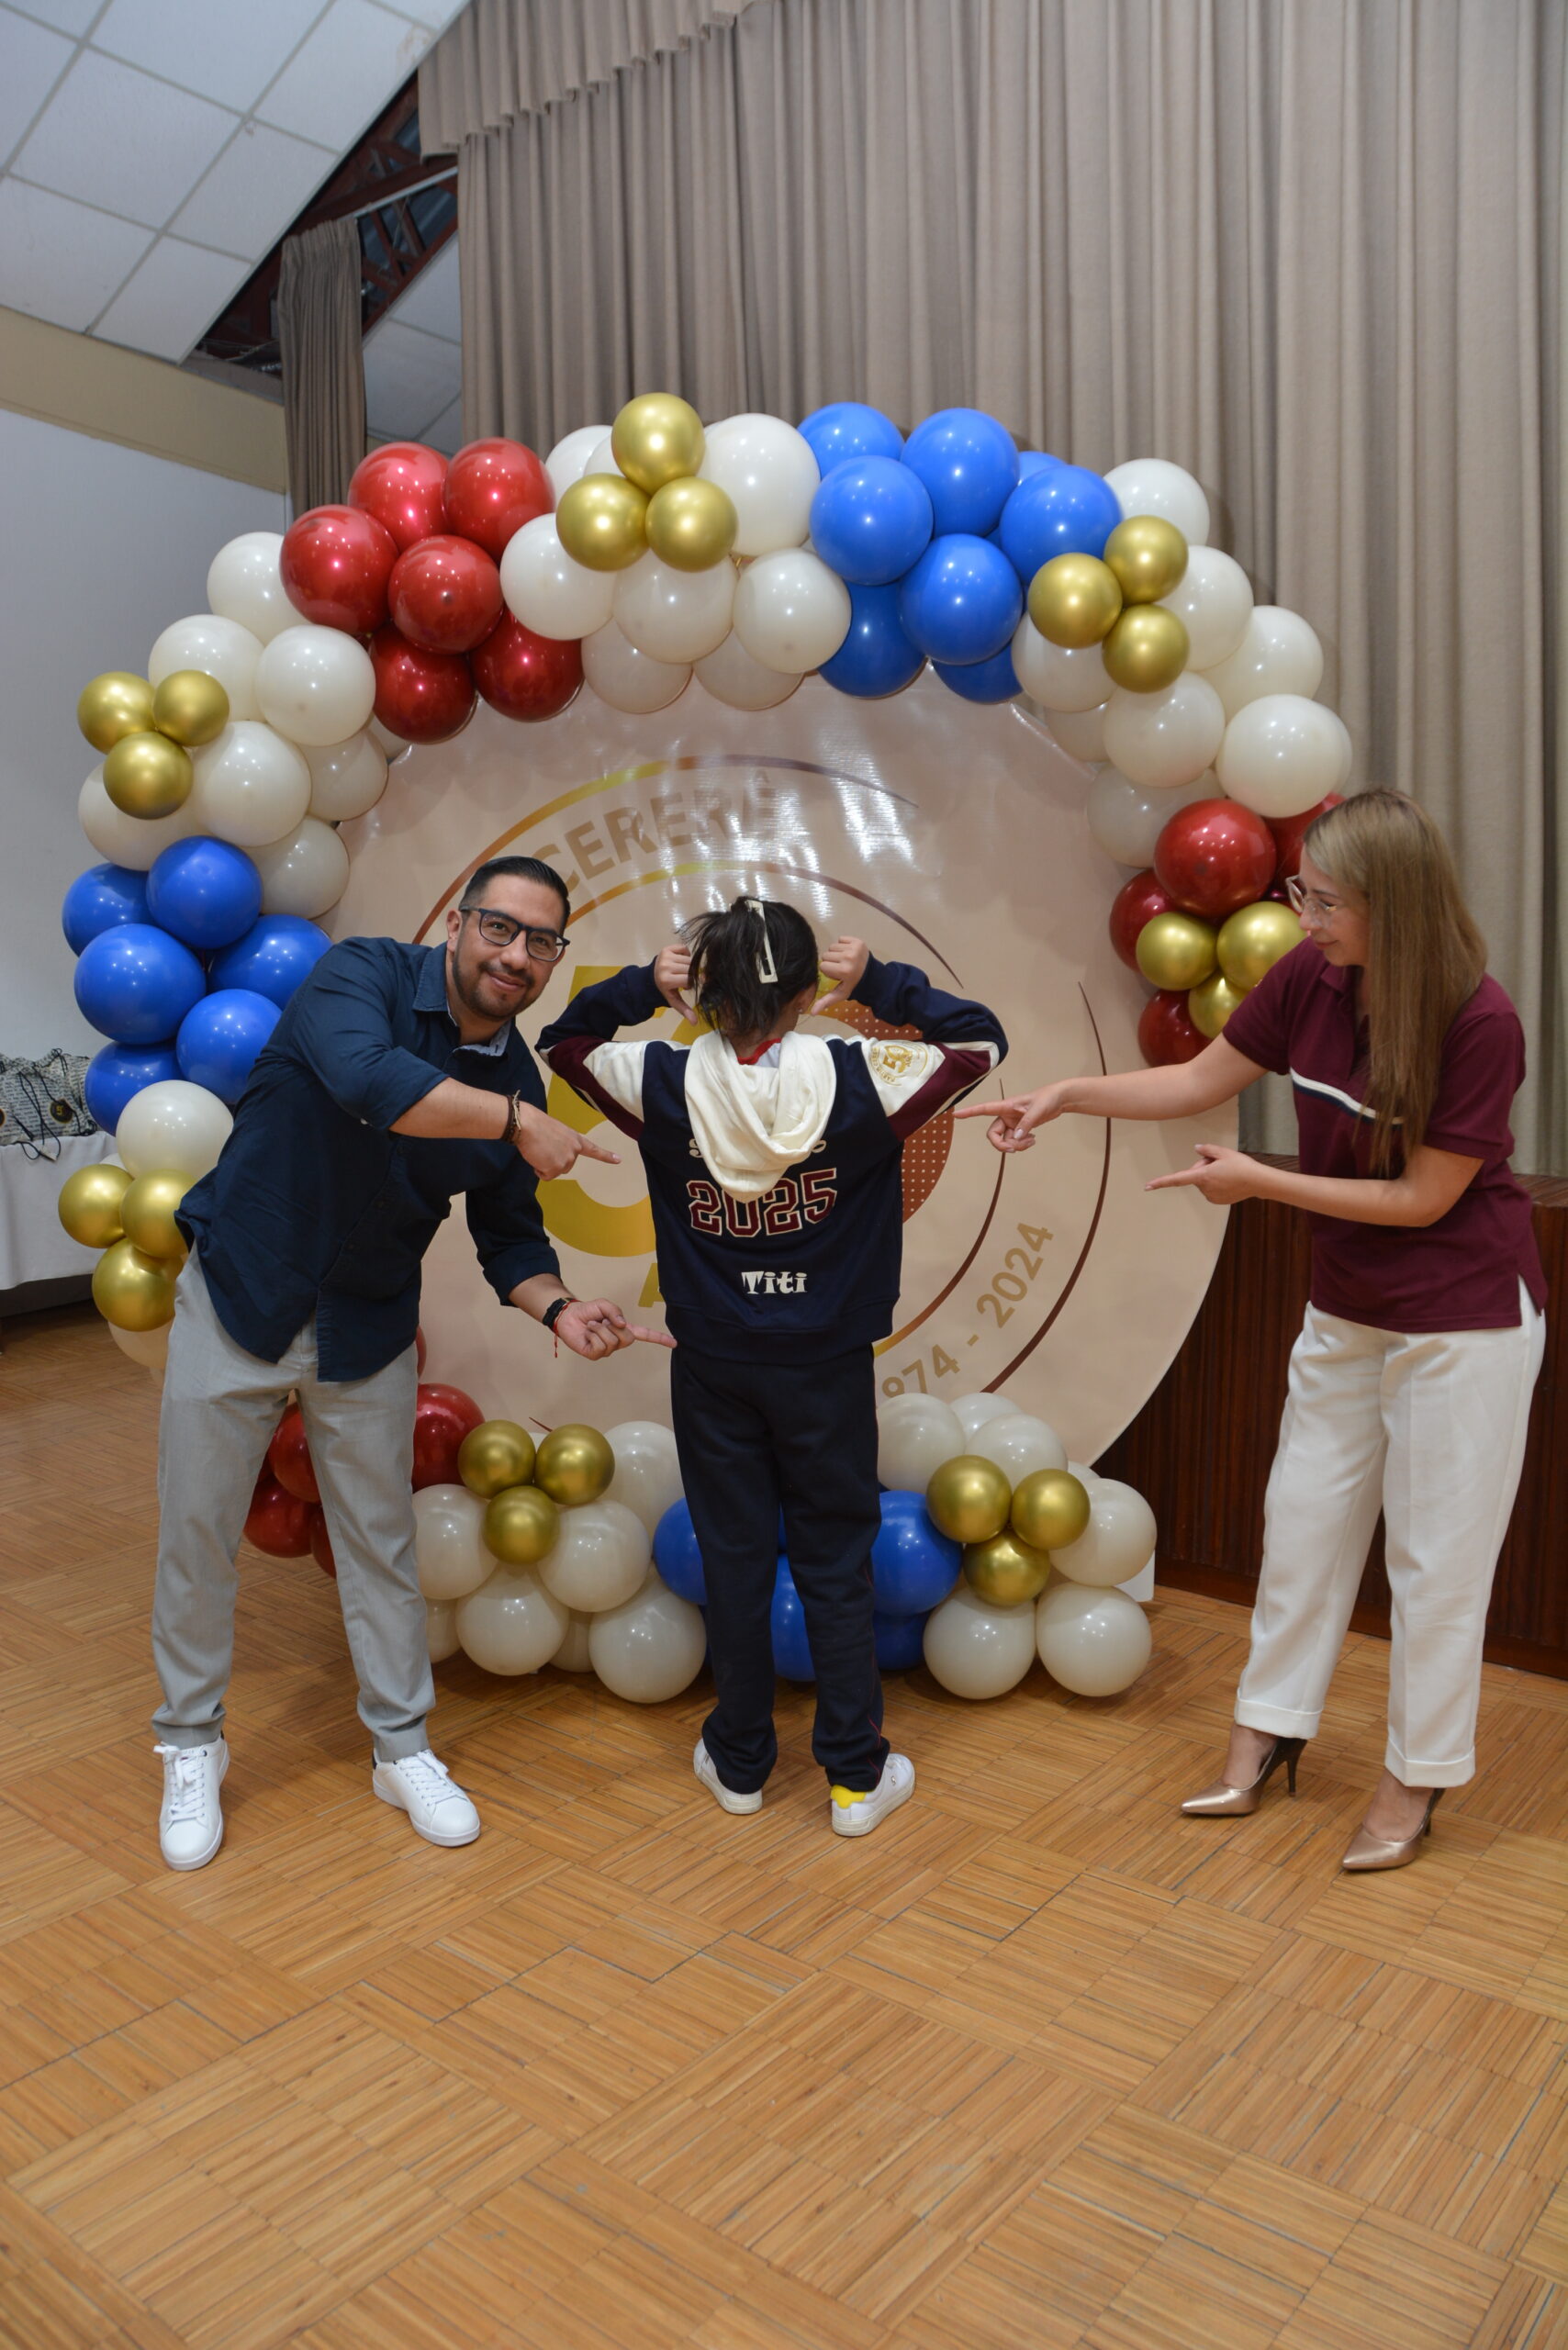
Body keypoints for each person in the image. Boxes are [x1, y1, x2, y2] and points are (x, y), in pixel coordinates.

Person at [961, 791, 1545, 1872]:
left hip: (1461, 1319)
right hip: (1347, 1306)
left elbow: (1424, 1198)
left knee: (1434, 1563)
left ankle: (1415, 1776)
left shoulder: (1477, 1020)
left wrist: (1262, 1182)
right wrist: (1066, 1094)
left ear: (1393, 905)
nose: (1301, 917)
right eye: (1298, 893)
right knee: (1301, 1527)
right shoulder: (1308, 977)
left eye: (1324, 901)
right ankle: (1267, 1730)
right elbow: (1197, 1078)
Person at [151, 855, 669, 1872]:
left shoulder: (517, 1080)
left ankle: (401, 1749)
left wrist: (560, 1308)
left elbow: (509, 1238)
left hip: (367, 1324)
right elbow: (369, 1082)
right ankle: (189, 1741)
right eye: (500, 927)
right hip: (241, 1295)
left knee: (381, 1546)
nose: (516, 955)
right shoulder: (361, 975)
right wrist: (516, 1120)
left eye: (540, 942)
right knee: (197, 1532)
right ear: (457, 925)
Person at [539, 897, 1006, 1835]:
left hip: (714, 1363)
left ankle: (742, 1762)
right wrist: (878, 983)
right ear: (805, 994)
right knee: (836, 1560)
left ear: (702, 993)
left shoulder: (659, 1078)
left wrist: (642, 986)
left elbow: (564, 1041)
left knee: (735, 1557)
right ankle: (854, 1779)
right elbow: (979, 1041)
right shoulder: (863, 1073)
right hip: (825, 1364)